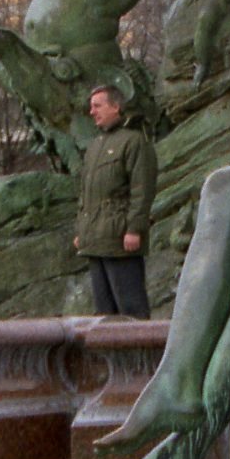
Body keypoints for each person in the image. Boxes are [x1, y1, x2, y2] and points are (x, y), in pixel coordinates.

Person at [74, 84, 157, 318]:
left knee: (131, 309)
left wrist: (134, 229)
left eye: (97, 106)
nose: (92, 112)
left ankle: (141, 354)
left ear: (116, 106)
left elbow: (142, 189)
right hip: (95, 240)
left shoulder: (134, 142)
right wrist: (81, 230)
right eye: (91, 107)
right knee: (104, 313)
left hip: (121, 241)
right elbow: (86, 193)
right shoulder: (95, 146)